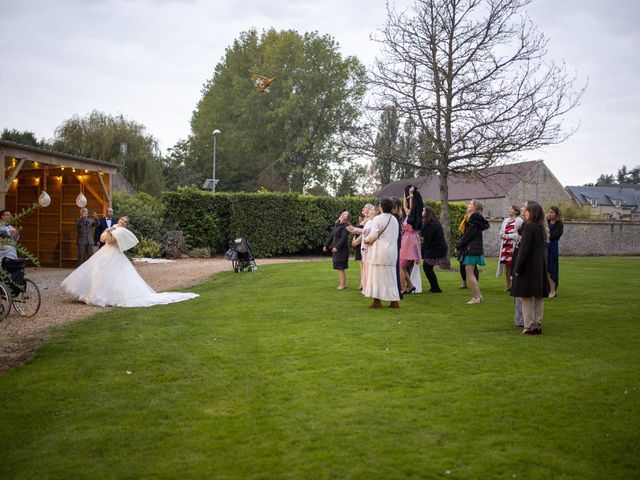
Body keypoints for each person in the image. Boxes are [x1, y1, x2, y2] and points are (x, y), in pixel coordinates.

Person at [61, 216, 199, 307]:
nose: (121, 222)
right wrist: (108, 231)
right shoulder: (114, 227)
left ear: (125, 225)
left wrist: (109, 232)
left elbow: (110, 240)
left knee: (112, 276)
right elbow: (103, 238)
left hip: (113, 254)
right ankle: (91, 294)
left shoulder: (121, 232)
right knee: (97, 272)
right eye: (121, 220)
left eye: (124, 221)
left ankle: (105, 296)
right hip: (104, 253)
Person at [511, 201, 550, 335]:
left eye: (526, 210)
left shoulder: (530, 227)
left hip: (528, 267)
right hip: (538, 266)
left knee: (526, 297)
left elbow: (524, 250)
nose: (525, 212)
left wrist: (517, 268)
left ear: (531, 213)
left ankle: (528, 325)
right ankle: (537, 323)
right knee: (537, 296)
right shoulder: (540, 228)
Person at [363, 198, 401, 308]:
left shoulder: (378, 219)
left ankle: (377, 301)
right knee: (391, 277)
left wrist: (366, 240)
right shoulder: (394, 220)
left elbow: (373, 235)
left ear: (381, 207)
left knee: (376, 277)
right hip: (392, 252)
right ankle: (394, 301)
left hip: (379, 252)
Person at [456, 199, 489, 304]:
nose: (468, 204)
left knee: (469, 273)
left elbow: (468, 236)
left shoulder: (475, 220)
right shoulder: (472, 219)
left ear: (475, 207)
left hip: (472, 249)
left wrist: (458, 246)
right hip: (471, 248)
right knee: (470, 272)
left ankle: (476, 297)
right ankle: (479, 296)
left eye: (470, 203)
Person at [399, 186, 423, 294]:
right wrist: (407, 194)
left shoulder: (412, 216)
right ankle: (410, 285)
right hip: (408, 242)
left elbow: (411, 206)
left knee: (401, 266)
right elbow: (405, 205)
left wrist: (411, 195)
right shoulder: (411, 215)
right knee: (404, 266)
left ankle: (406, 287)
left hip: (409, 243)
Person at [348, 204, 376, 291]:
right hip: (359, 244)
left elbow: (364, 233)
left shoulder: (370, 220)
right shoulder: (362, 220)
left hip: (363, 243)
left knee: (365, 265)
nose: (363, 209)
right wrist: (353, 239)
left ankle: (364, 283)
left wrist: (356, 241)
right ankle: (362, 282)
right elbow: (357, 231)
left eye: (365, 208)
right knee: (361, 264)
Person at [421, 206, 448, 293]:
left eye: (423, 211)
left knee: (427, 267)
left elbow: (427, 241)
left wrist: (422, 253)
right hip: (438, 248)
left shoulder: (430, 225)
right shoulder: (435, 222)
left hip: (436, 249)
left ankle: (436, 288)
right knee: (428, 267)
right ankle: (434, 287)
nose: (422, 212)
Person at [496, 205, 524, 291]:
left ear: (516, 211)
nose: (509, 210)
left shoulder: (520, 221)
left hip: (514, 246)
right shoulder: (505, 220)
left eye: (511, 209)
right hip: (505, 246)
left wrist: (508, 236)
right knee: (507, 266)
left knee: (514, 265)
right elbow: (501, 232)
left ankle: (515, 285)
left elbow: (519, 234)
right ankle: (508, 285)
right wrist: (502, 235)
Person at [323, 211, 351, 290]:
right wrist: (326, 245)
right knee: (339, 267)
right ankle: (342, 284)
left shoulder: (346, 226)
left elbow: (343, 238)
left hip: (342, 250)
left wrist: (336, 247)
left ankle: (342, 285)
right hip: (337, 250)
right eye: (343, 213)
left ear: (348, 218)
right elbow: (332, 236)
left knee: (341, 267)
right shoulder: (337, 225)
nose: (343, 214)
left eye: (345, 214)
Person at [457, 212, 479, 289]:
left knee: (474, 266)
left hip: (472, 246)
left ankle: (475, 283)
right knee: (462, 265)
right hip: (463, 246)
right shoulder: (463, 221)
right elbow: (461, 234)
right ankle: (464, 282)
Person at [546, 206, 564, 298]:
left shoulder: (559, 224)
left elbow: (555, 236)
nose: (550, 214)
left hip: (552, 247)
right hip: (546, 246)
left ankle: (553, 291)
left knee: (551, 268)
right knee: (545, 268)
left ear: (557, 214)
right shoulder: (547, 222)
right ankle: (547, 289)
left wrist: (546, 233)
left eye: (552, 212)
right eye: (549, 212)